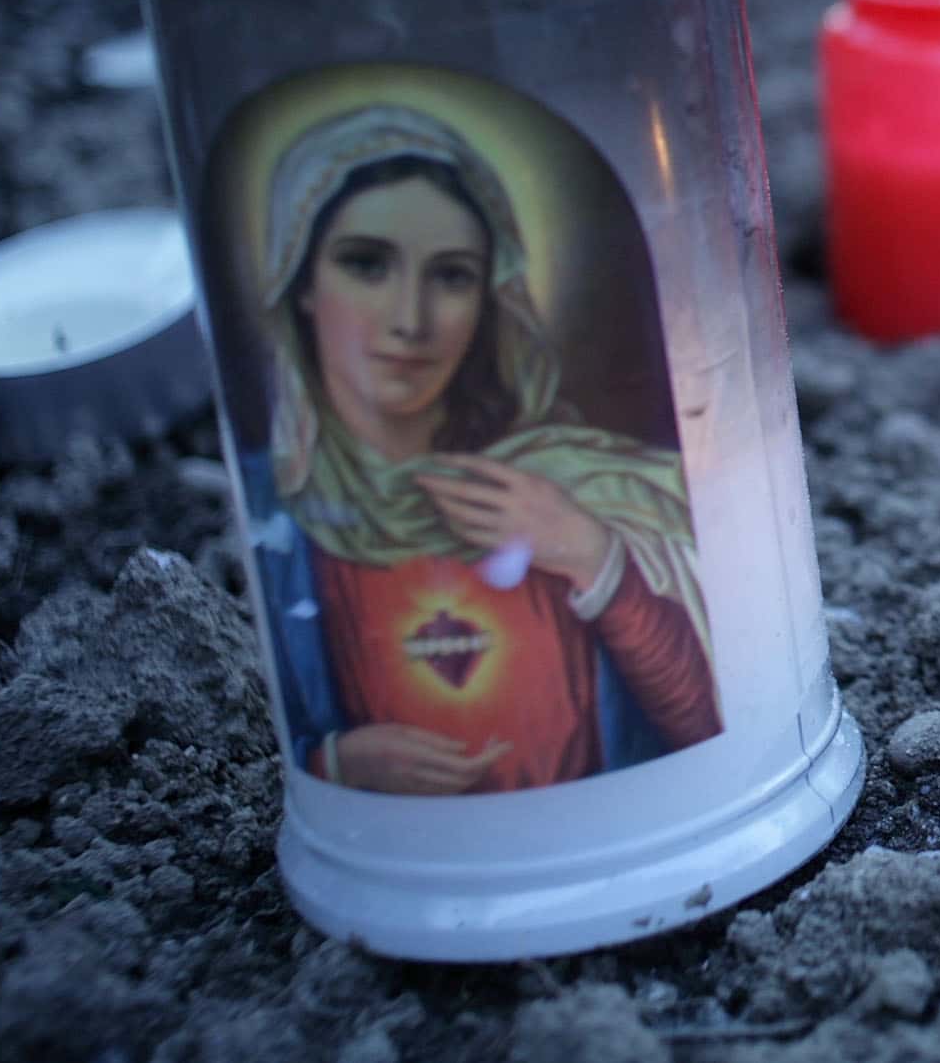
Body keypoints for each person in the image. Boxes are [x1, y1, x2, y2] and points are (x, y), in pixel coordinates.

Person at [240, 103, 719, 795]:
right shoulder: (272, 514)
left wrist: (597, 558)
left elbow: (712, 729)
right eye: (367, 264)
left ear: (492, 297)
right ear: (301, 281)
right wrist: (335, 768)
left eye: (453, 275)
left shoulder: (577, 488)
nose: (411, 320)